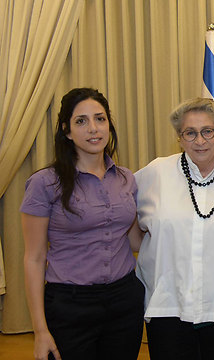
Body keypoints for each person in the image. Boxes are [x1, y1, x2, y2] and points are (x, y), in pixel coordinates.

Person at [21, 88, 144, 360]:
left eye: (100, 119)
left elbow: (134, 240)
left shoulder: (126, 178)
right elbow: (34, 257)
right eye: (81, 121)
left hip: (124, 301)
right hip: (69, 306)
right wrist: (40, 330)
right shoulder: (44, 183)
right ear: (66, 131)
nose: (93, 129)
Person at [130, 98, 214, 359]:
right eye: (190, 133)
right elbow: (123, 216)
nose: (200, 140)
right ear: (179, 138)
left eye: (208, 131)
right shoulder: (156, 173)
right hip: (168, 307)